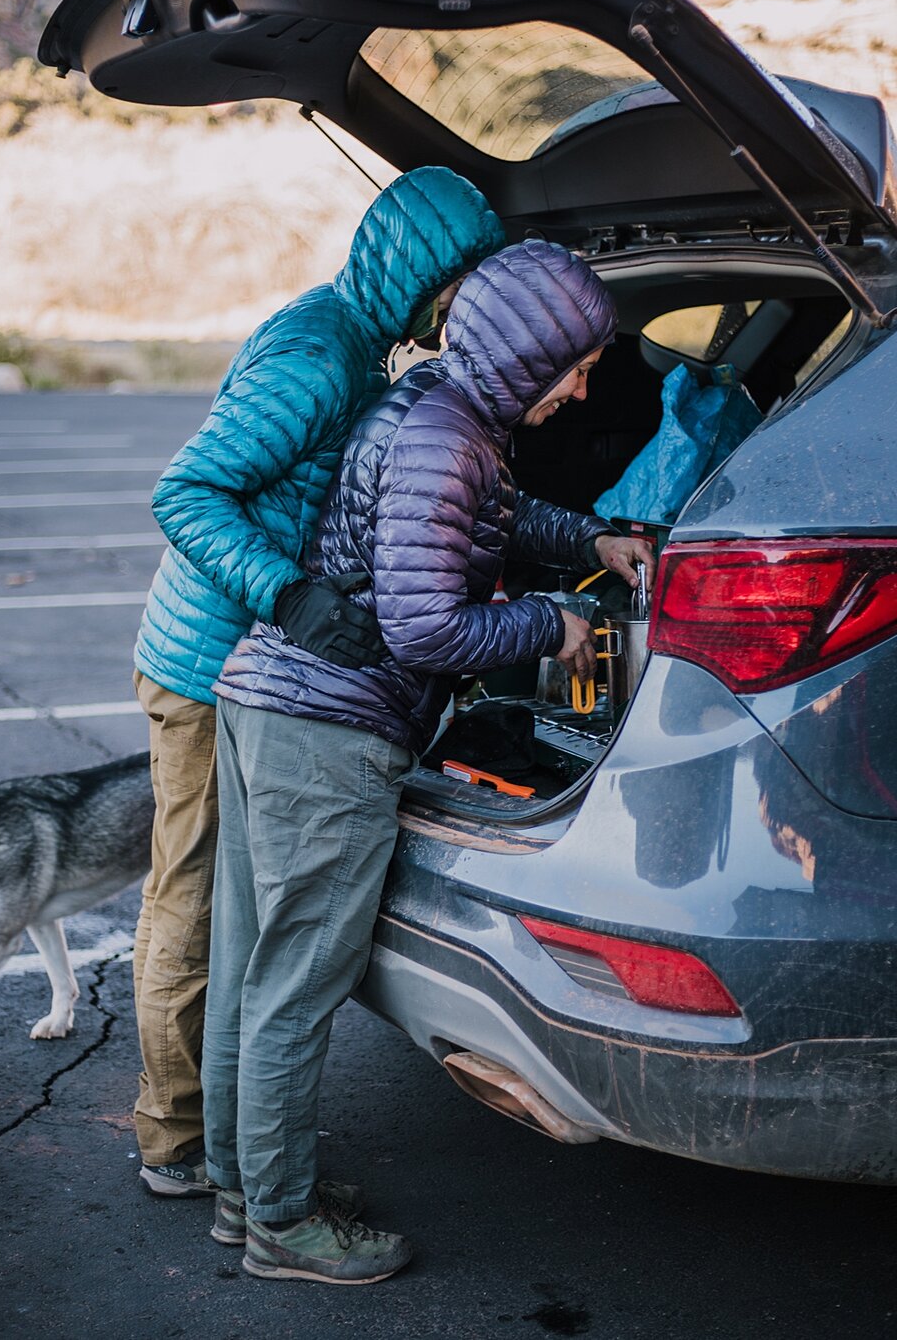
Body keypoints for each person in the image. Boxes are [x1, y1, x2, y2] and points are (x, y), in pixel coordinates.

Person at [156, 238, 653, 1282]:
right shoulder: (448, 439)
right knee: (292, 984)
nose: (581, 387)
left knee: (256, 970)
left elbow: (498, 518)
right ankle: (282, 1228)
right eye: (574, 365)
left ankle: (249, 1193)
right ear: (523, 357)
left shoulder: (440, 406)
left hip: (270, 705)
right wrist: (551, 625)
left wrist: (591, 541)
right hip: (328, 733)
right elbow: (427, 632)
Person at [130, 166, 505, 1196]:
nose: (456, 316)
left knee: (228, 915)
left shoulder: (355, 337)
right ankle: (175, 1142)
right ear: (421, 272)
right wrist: (289, 594)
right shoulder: (316, 356)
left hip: (246, 657)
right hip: (209, 664)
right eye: (454, 291)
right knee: (196, 904)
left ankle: (230, 1148)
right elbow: (187, 490)